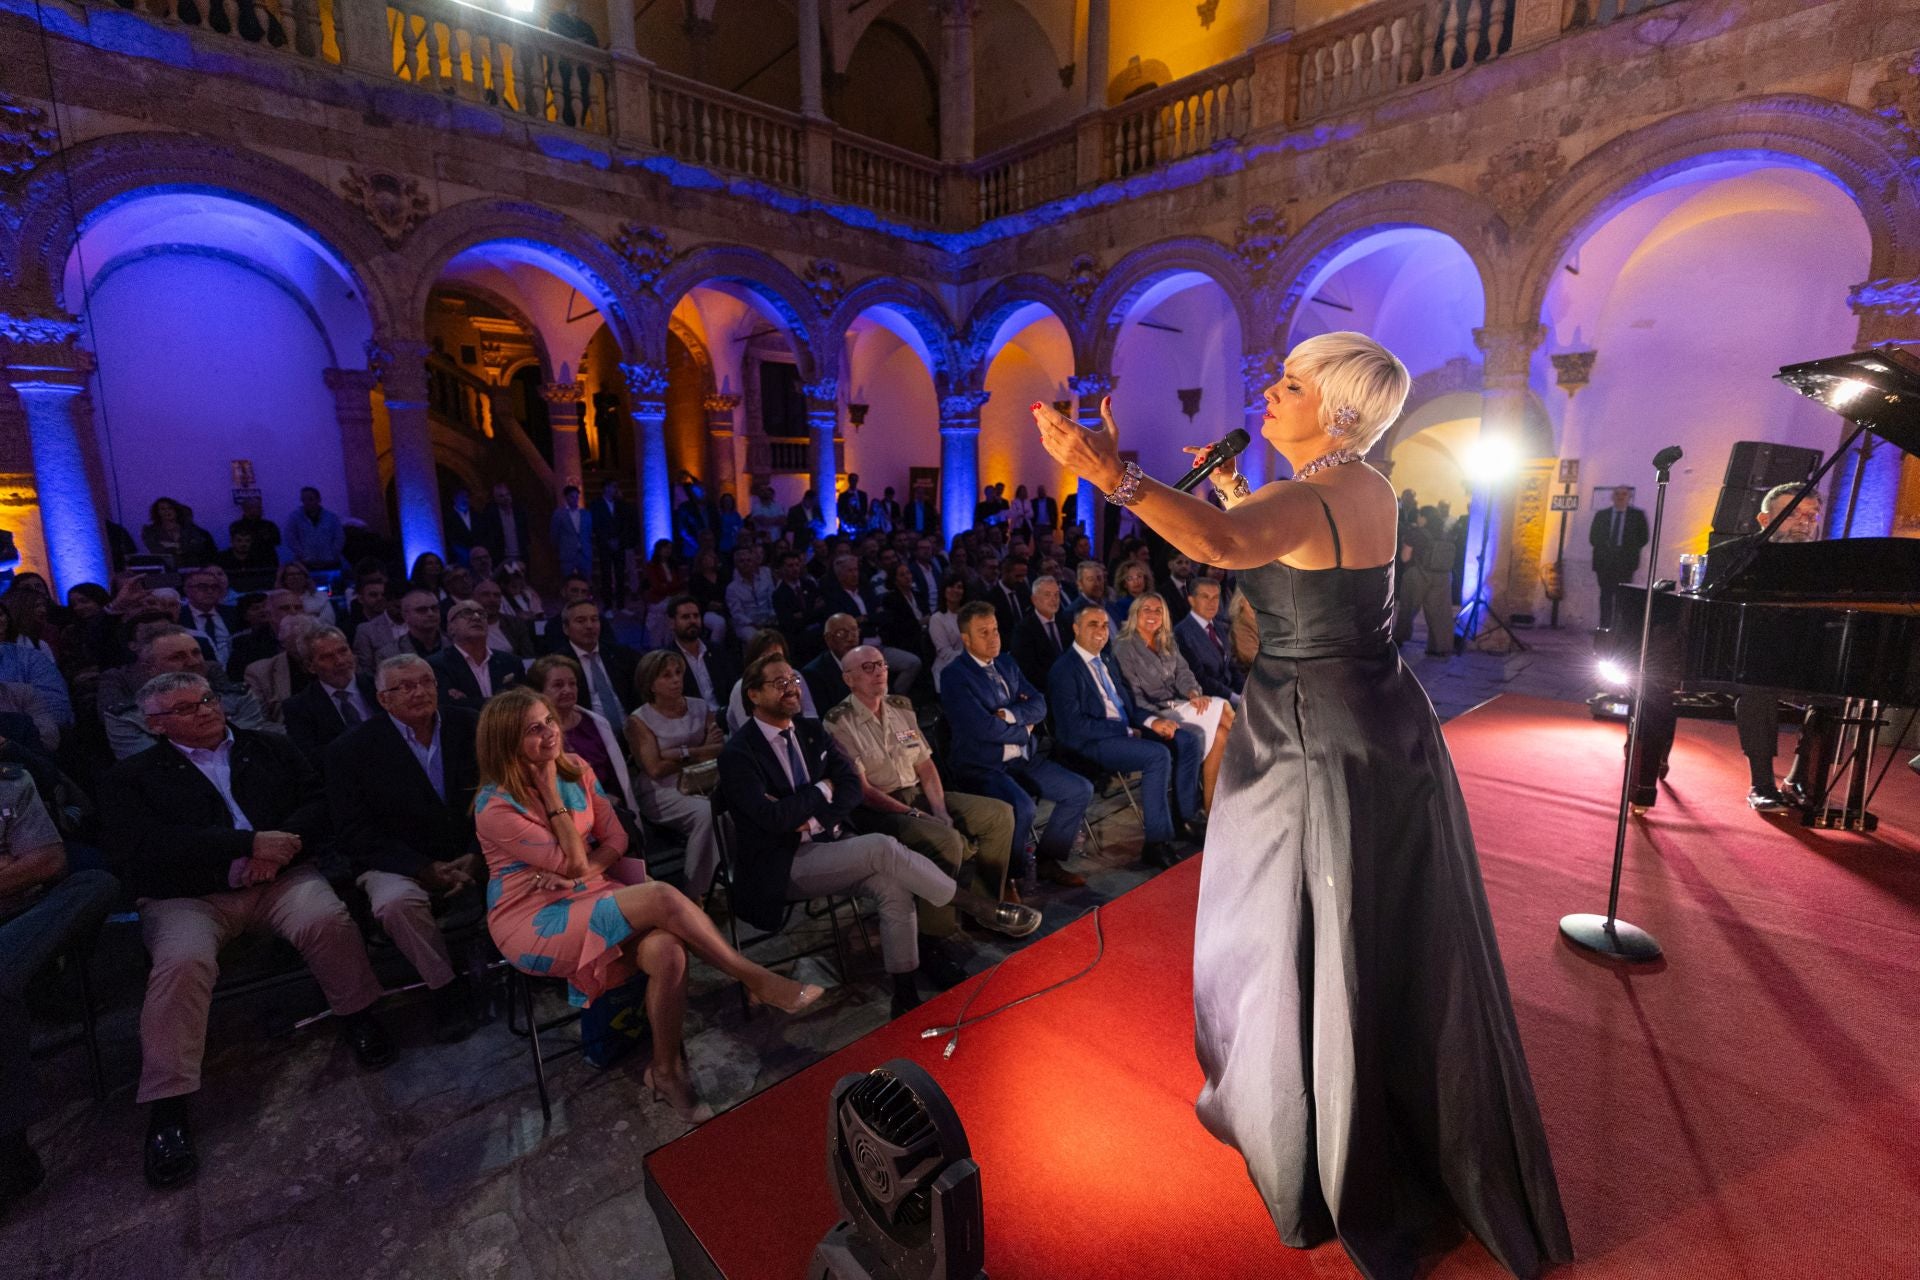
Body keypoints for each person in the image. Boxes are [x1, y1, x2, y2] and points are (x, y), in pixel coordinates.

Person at [1029, 333, 1571, 1279]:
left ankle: (1311, 1121)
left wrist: (1112, 472)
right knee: (1360, 922)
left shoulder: (1313, 495)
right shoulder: (1361, 487)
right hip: (1375, 719)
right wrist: (1226, 493)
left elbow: (1225, 544)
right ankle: (1366, 1095)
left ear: (1341, 410)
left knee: (1282, 918)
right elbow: (1282, 548)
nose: (1268, 396)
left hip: (1311, 734)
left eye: (1289, 385)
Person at [101, 671, 395, 1189]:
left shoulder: (268, 748)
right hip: (190, 895)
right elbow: (145, 851)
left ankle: (358, 1015)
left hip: (279, 877)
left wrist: (277, 849)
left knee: (327, 918)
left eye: (209, 699)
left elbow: (319, 804)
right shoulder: (132, 778)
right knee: (182, 962)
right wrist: (242, 848)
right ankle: (168, 1103)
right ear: (158, 725)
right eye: (188, 708)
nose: (207, 710)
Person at [477, 687, 821, 1122]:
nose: (550, 733)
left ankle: (666, 1072)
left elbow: (616, 838)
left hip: (587, 890)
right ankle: (754, 977)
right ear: (506, 742)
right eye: (533, 729)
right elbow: (573, 857)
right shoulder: (494, 806)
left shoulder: (576, 767)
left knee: (667, 950)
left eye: (549, 720)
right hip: (533, 915)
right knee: (660, 894)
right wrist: (550, 795)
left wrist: (581, 872)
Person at [719, 655, 972, 1017]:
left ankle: (904, 995)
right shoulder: (738, 753)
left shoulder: (809, 730)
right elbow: (773, 821)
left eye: (793, 679)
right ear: (754, 695)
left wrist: (813, 816)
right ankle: (967, 903)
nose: (792, 688)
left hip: (830, 843)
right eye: (779, 683)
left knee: (893, 886)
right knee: (882, 847)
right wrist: (823, 789)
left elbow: (851, 788)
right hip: (784, 861)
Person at [824, 645, 1038, 974]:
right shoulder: (839, 721)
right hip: (880, 809)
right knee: (946, 842)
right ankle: (933, 939)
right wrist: (917, 815)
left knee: (999, 814)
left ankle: (983, 909)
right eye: (868, 667)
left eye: (881, 664)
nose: (880, 671)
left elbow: (925, 766)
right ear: (848, 678)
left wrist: (940, 809)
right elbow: (863, 790)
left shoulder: (901, 707)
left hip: (918, 795)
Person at [323, 655, 483, 1041]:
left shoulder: (471, 725)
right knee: (396, 904)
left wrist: (478, 851)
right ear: (383, 699)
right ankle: (444, 989)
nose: (420, 692)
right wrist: (420, 868)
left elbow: (502, 793)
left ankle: (536, 957)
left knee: (532, 856)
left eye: (426, 682)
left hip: (472, 847)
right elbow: (354, 831)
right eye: (405, 686)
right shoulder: (351, 750)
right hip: (395, 860)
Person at [0, 765, 117, 1213]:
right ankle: (10, 1149)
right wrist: (15, 866)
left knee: (95, 883)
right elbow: (30, 864)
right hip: (22, 923)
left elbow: (50, 862)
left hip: (30, 915)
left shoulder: (10, 781)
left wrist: (27, 869)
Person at [938, 602, 1092, 889]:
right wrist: (1024, 731)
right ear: (966, 639)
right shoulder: (955, 676)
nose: (993, 637)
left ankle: (1047, 860)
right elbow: (982, 727)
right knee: (1023, 808)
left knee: (1079, 789)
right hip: (983, 765)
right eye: (983, 632)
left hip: (1023, 758)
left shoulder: (1007, 662)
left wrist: (1011, 715)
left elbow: (1039, 703)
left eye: (995, 630)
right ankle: (1008, 879)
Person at [1048, 601, 1203, 868]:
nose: (1101, 630)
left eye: (1105, 625)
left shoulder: (1105, 658)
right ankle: (1156, 843)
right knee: (1157, 756)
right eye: (1092, 625)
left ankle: (1185, 819)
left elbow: (1127, 706)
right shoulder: (1064, 669)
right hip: (1093, 742)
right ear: (1076, 629)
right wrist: (1126, 730)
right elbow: (1073, 728)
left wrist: (1153, 722)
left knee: (1186, 740)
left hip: (1124, 729)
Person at [1115, 593, 1234, 811]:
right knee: (1222, 705)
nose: (1152, 615)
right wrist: (1158, 715)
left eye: (1158, 610)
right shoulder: (1124, 647)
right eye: (1146, 610)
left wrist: (1192, 693)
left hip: (1179, 705)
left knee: (1221, 735)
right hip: (1153, 714)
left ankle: (1210, 810)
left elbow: (1183, 672)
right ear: (1135, 614)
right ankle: (1252, 762)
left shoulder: (1166, 640)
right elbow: (1133, 697)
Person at [624, 650, 722, 896]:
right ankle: (697, 891)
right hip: (663, 789)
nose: (676, 680)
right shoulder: (639, 720)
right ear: (651, 684)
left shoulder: (699, 706)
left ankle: (733, 876)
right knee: (706, 814)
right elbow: (655, 768)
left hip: (707, 777)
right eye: (666, 676)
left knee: (739, 802)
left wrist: (676, 753)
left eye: (678, 673)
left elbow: (721, 748)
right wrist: (700, 749)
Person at [104, 626, 272, 760]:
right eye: (177, 657)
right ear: (150, 668)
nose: (193, 662)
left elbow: (251, 748)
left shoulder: (239, 696)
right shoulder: (125, 718)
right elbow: (151, 765)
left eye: (196, 653)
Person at [283, 626, 377, 760]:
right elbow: (312, 758)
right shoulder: (299, 707)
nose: (340, 661)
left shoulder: (378, 686)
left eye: (343, 651)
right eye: (327, 657)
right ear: (310, 666)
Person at [546, 599, 639, 719]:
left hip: (632, 727)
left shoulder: (622, 654)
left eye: (594, 619)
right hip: (586, 733)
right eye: (581, 621)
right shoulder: (557, 664)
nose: (589, 626)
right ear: (566, 628)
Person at [428, 599, 524, 706]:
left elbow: (521, 702)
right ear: (451, 628)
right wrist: (502, 702)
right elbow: (451, 708)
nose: (476, 617)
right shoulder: (437, 665)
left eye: (482, 614)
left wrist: (469, 700)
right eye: (467, 613)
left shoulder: (511, 662)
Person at [1588, 484, 1649, 631]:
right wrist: (1606, 549)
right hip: (1604, 562)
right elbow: (1593, 537)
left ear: (1629, 497)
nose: (1620, 497)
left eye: (1624, 494)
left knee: (1623, 597)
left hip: (1625, 563)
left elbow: (1643, 538)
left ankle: (1619, 629)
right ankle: (1604, 627)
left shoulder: (1637, 516)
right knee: (1605, 595)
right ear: (1612, 497)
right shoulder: (1602, 515)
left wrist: (1627, 551)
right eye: (1617, 494)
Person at [243, 611, 320, 723]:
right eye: (298, 643)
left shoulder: (336, 662)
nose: (304, 649)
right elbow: (259, 723)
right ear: (283, 643)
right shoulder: (260, 672)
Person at [1174, 576, 1242, 703]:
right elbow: (1200, 678)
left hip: (1233, 693)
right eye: (1205, 597)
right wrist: (1235, 698)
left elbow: (1231, 666)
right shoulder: (1181, 633)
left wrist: (1244, 691)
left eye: (1215, 597)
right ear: (1191, 600)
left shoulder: (1219, 626)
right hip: (1209, 699)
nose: (1212, 603)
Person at [664, 595, 738, 708]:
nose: (692, 621)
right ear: (672, 623)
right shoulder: (667, 659)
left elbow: (733, 688)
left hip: (724, 715)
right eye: (685, 617)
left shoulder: (717, 651)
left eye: (696, 616)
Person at [1010, 574, 1070, 691]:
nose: (1054, 600)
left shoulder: (1066, 622)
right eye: (1047, 595)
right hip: (1045, 690)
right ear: (1034, 599)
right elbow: (1028, 670)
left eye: (1056, 595)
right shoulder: (1023, 630)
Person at [591, 480, 638, 612]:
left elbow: (624, 524)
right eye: (613, 487)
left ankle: (621, 605)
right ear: (606, 488)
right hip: (604, 545)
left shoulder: (620, 504)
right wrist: (607, 540)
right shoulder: (596, 504)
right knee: (606, 575)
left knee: (620, 575)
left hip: (620, 544)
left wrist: (619, 539)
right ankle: (608, 606)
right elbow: (597, 525)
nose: (615, 489)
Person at [179, 566, 237, 668]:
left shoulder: (233, 613)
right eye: (202, 587)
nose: (210, 591)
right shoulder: (179, 617)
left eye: (214, 587)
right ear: (187, 590)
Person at [141, 497, 218, 568]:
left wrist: (173, 547)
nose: (167, 511)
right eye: (162, 509)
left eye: (170, 508)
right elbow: (157, 550)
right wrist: (181, 548)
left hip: (192, 568)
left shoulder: (191, 529)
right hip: (165, 570)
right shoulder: (150, 531)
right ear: (157, 512)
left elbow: (198, 547)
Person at [724, 544, 777, 646]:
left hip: (769, 619)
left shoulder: (765, 579)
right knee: (756, 639)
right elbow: (737, 614)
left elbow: (772, 599)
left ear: (753, 562)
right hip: (747, 624)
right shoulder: (732, 588)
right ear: (736, 565)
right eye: (742, 561)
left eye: (748, 560)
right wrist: (754, 624)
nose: (746, 564)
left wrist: (772, 616)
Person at [284, 487, 346, 569]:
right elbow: (291, 538)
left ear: (319, 499)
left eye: (310, 499)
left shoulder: (331, 517)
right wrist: (303, 555)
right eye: (304, 499)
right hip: (304, 564)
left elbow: (339, 538)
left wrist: (331, 554)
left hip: (330, 562)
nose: (307, 502)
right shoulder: (294, 518)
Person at [475, 483, 530, 565]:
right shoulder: (490, 515)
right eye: (501, 496)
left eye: (507, 494)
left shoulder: (519, 512)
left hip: (520, 555)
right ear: (496, 498)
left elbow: (525, 532)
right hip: (501, 558)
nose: (506, 498)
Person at [549, 484, 593, 580]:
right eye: (572, 497)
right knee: (567, 581)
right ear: (566, 498)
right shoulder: (559, 514)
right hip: (567, 554)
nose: (575, 499)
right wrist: (560, 549)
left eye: (577, 497)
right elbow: (554, 534)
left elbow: (589, 533)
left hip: (584, 553)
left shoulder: (586, 514)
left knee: (586, 580)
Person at [276, 561, 336, 626]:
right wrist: (312, 616)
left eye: (299, 573)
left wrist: (298, 620)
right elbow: (280, 624)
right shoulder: (277, 600)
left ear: (305, 577)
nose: (296, 577)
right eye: (291, 574)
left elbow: (329, 622)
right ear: (284, 579)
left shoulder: (321, 596)